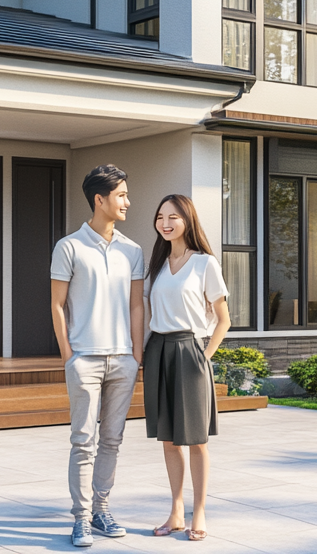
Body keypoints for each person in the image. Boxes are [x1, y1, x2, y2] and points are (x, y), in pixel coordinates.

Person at [50, 164, 146, 548]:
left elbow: (136, 307)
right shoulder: (69, 246)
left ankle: (101, 510)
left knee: (112, 440)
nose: (127, 201)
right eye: (121, 195)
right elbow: (57, 305)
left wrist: (136, 355)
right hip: (85, 359)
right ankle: (80, 519)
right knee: (83, 440)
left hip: (123, 358)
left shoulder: (133, 250)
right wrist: (69, 355)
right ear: (99, 199)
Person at [142, 194, 231, 542]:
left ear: (188, 221)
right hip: (158, 350)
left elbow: (223, 320)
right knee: (168, 439)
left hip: (190, 350)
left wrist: (204, 357)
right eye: (160, 216)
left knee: (196, 440)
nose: (165, 223)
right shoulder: (158, 265)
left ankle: (200, 511)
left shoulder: (205, 263)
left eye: (173, 217)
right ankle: (176, 511)